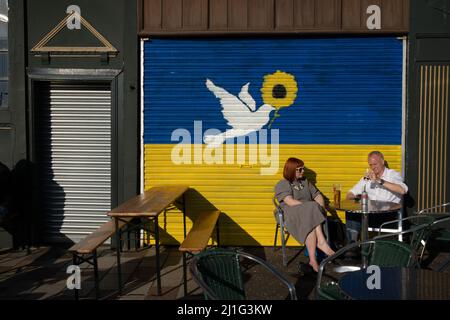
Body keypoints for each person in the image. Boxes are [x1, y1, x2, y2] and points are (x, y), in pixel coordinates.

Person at [275, 157, 335, 272]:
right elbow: (289, 202)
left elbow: (317, 195)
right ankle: (322, 242)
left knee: (311, 218)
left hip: (306, 213)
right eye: (300, 169)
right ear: (291, 170)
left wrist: (320, 208)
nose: (303, 171)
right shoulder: (283, 184)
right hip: (289, 213)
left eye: (303, 169)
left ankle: (312, 260)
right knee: (311, 208)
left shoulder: (305, 182)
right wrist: (312, 208)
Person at [345, 151, 408, 243]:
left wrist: (379, 180)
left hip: (388, 216)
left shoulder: (392, 175)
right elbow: (350, 193)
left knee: (356, 216)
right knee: (351, 213)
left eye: (375, 164)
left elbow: (403, 190)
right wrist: (355, 200)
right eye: (370, 165)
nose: (373, 167)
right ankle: (352, 246)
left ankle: (355, 248)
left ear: (382, 162)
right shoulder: (367, 178)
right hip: (371, 215)